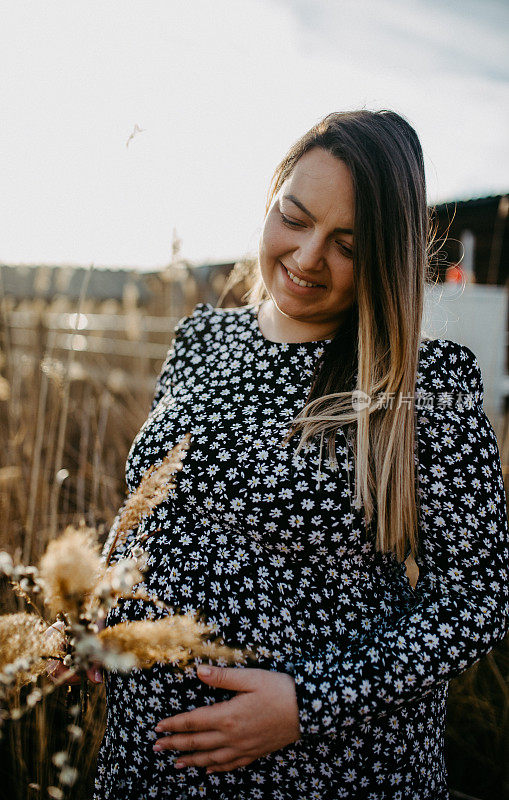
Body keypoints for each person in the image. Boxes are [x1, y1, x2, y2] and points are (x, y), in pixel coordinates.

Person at [91, 110, 509, 800]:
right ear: (270, 199)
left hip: (325, 768)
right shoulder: (202, 336)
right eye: (294, 217)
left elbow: (474, 601)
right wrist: (98, 612)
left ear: (388, 253)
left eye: (348, 243)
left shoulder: (424, 381)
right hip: (148, 758)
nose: (309, 255)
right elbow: (152, 507)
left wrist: (305, 702)